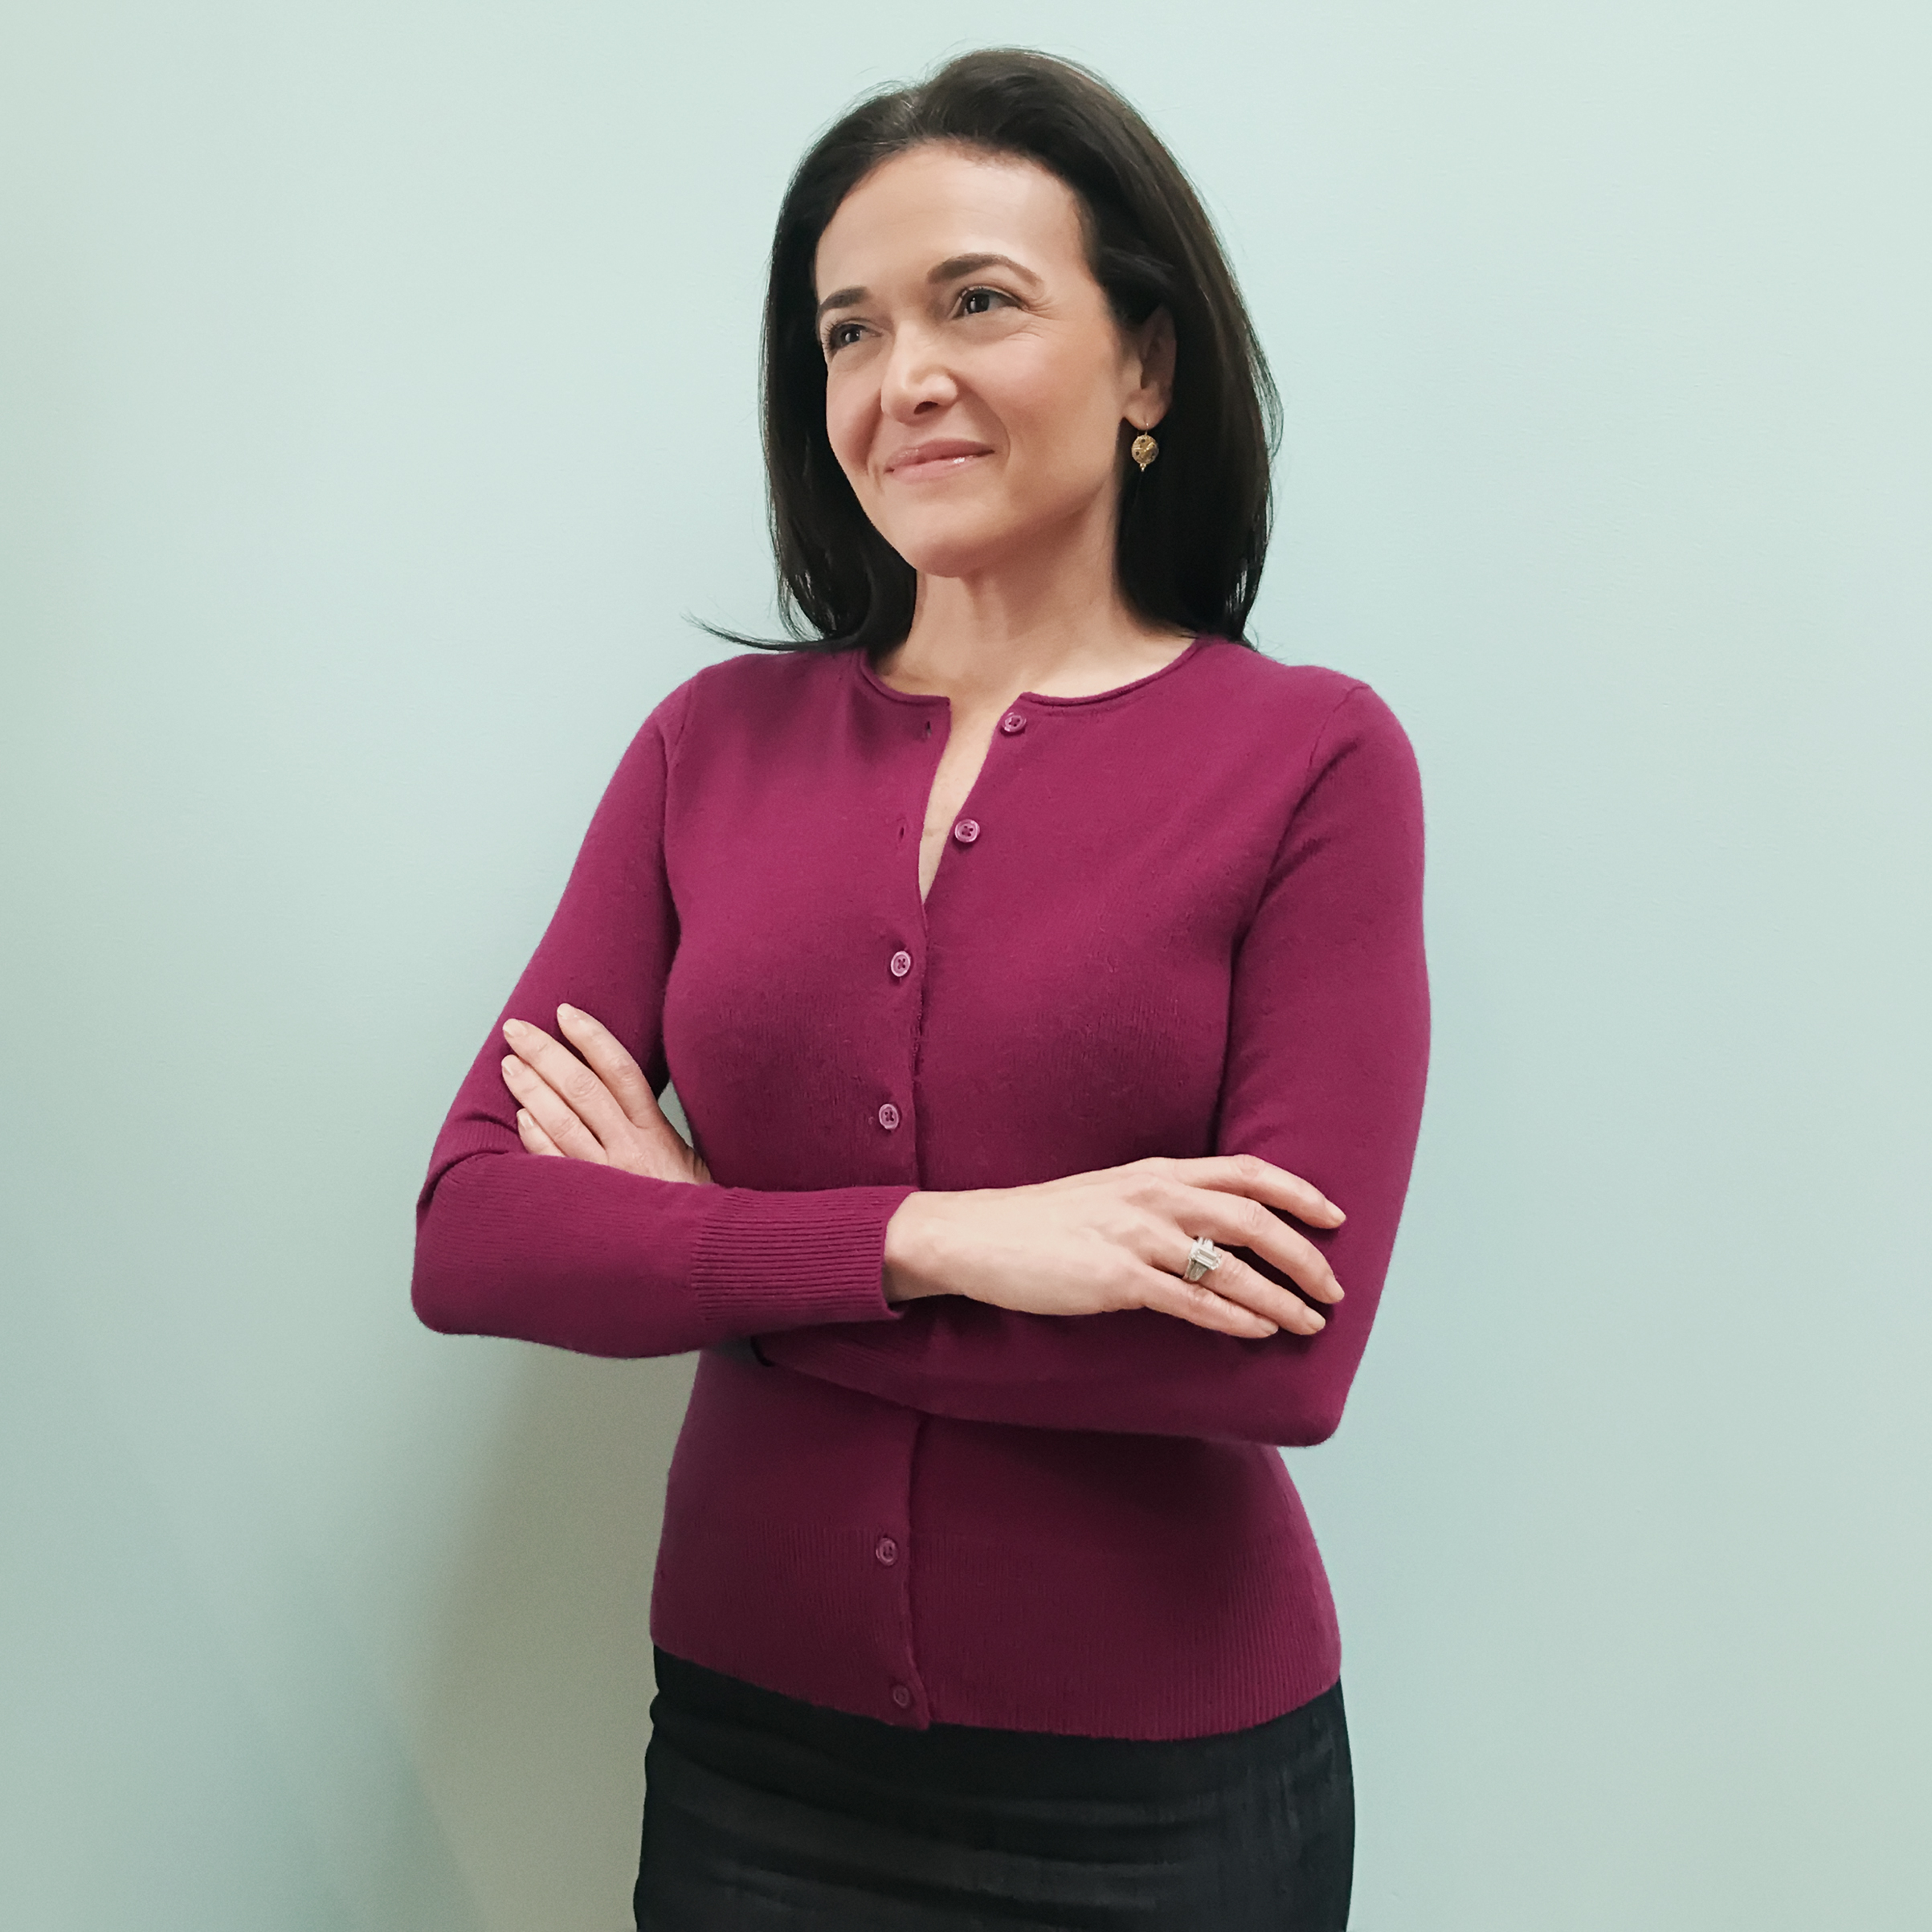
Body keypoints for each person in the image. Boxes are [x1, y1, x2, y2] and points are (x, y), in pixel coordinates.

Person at [411, 46, 1429, 1931]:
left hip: (1165, 1801)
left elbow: (1286, 1354)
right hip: (752, 1765)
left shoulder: (1312, 761)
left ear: (1147, 362)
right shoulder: (709, 749)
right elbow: (475, 1234)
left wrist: (717, 1254)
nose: (905, 379)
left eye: (978, 302)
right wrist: (947, 1240)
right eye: (849, 331)